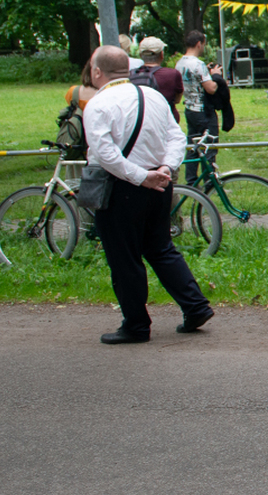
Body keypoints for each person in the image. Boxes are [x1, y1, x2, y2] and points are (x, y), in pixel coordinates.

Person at [81, 46, 213, 344]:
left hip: (123, 187)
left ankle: (136, 325)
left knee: (124, 257)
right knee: (160, 248)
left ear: (97, 71)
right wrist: (165, 168)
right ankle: (195, 305)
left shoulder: (98, 104)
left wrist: (141, 177)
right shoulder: (151, 95)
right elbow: (176, 136)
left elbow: (104, 153)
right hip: (159, 182)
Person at [176, 30, 221, 181]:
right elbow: (211, 88)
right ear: (198, 44)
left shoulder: (180, 63)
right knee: (210, 145)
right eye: (203, 44)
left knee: (193, 146)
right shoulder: (198, 64)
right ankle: (210, 181)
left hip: (190, 109)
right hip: (204, 111)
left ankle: (191, 181)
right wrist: (215, 75)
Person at [135, 37, 184, 121]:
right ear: (162, 55)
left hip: (141, 122)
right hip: (166, 122)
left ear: (141, 55)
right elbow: (177, 100)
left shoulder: (131, 74)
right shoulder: (172, 74)